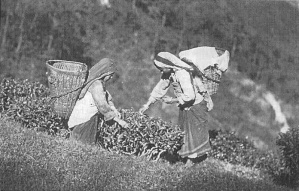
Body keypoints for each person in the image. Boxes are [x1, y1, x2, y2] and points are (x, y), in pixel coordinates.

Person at [139, 48, 229, 164]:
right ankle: (185, 158)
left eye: (162, 69)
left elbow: (190, 96)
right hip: (185, 105)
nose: (161, 72)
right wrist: (147, 104)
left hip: (195, 104)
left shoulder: (182, 74)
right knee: (185, 132)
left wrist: (172, 100)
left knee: (194, 133)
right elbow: (159, 89)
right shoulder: (170, 73)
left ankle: (191, 162)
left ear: (168, 65)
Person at [68, 58, 128, 145]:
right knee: (83, 146)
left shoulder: (95, 82)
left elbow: (107, 98)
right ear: (105, 73)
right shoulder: (96, 85)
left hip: (81, 119)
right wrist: (120, 121)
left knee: (78, 146)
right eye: (110, 75)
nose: (111, 77)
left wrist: (114, 109)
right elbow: (102, 106)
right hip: (85, 120)